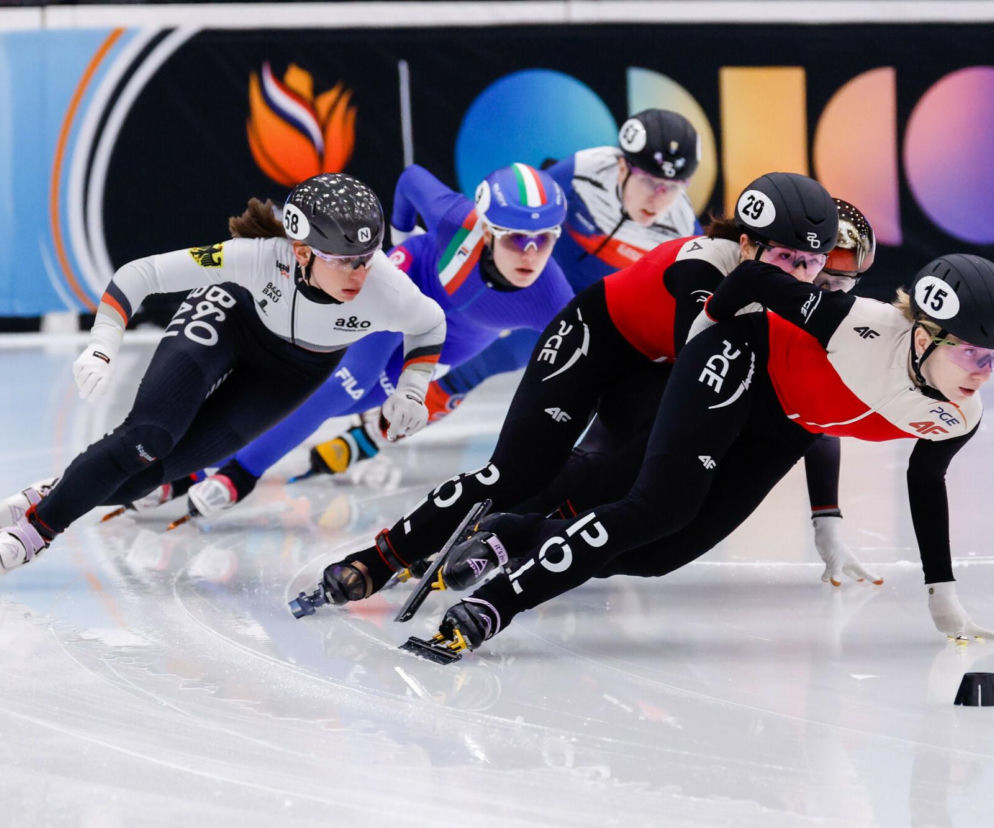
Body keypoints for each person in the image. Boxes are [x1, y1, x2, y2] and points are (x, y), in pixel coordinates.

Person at [304, 171, 838, 607]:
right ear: (745, 245)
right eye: (787, 259)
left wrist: (825, 515)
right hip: (596, 339)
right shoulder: (702, 264)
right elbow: (702, 371)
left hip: (654, 367)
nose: (800, 276)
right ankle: (380, 558)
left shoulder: (786, 290)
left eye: (813, 264)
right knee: (514, 472)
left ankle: (511, 535)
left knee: (638, 503)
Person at [426, 250, 994, 654]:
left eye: (993, 358)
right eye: (973, 354)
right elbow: (751, 278)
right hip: (739, 359)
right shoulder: (854, 323)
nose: (984, 373)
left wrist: (941, 592)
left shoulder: (960, 415)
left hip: (783, 427)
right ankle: (494, 605)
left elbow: (925, 481)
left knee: (657, 556)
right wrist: (699, 341)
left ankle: (516, 535)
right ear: (924, 337)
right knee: (657, 506)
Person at [0, 173, 446, 572]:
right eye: (345, 259)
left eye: (368, 256)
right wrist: (102, 344)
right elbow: (142, 273)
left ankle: (56, 492)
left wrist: (412, 389)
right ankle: (33, 533)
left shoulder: (388, 288)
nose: (362, 272)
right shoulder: (255, 257)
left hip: (292, 371)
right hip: (231, 319)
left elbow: (429, 324)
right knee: (150, 437)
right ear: (301, 251)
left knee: (152, 476)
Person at [157, 162, 573, 519]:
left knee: (351, 401)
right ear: (485, 229)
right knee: (344, 383)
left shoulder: (552, 296)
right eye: (516, 238)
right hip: (405, 286)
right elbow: (411, 180)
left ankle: (203, 464)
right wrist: (403, 239)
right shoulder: (452, 219)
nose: (531, 254)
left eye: (546, 239)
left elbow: (591, 362)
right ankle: (238, 474)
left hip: (448, 341)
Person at [304, 108, 703, 479]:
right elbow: (519, 206)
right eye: (650, 181)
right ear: (622, 166)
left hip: (586, 301)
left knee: (494, 361)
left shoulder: (682, 226)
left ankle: (374, 433)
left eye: (674, 187)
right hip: (533, 279)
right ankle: (348, 406)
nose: (658, 198)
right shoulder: (580, 172)